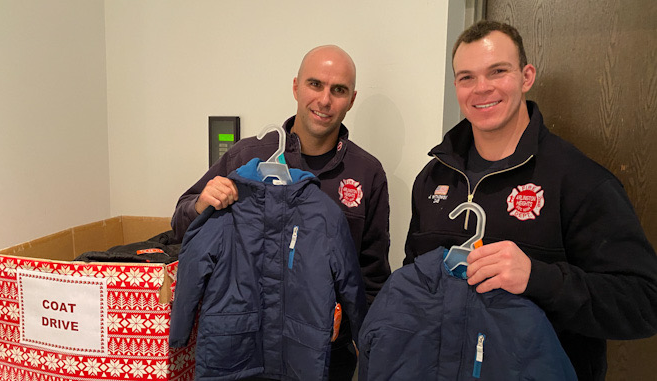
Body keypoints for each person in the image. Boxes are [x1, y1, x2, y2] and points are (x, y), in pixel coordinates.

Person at [404, 20, 657, 380]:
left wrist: (539, 279)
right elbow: (413, 281)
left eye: (498, 71)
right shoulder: (432, 178)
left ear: (526, 76)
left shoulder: (581, 181)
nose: (482, 89)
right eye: (466, 77)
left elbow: (644, 303)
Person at [172, 45, 391, 380]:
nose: (325, 100)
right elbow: (183, 230)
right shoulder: (246, 157)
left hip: (320, 354)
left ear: (352, 98)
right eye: (315, 84)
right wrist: (201, 203)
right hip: (240, 351)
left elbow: (372, 275)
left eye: (339, 90)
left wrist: (361, 336)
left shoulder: (367, 172)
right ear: (296, 87)